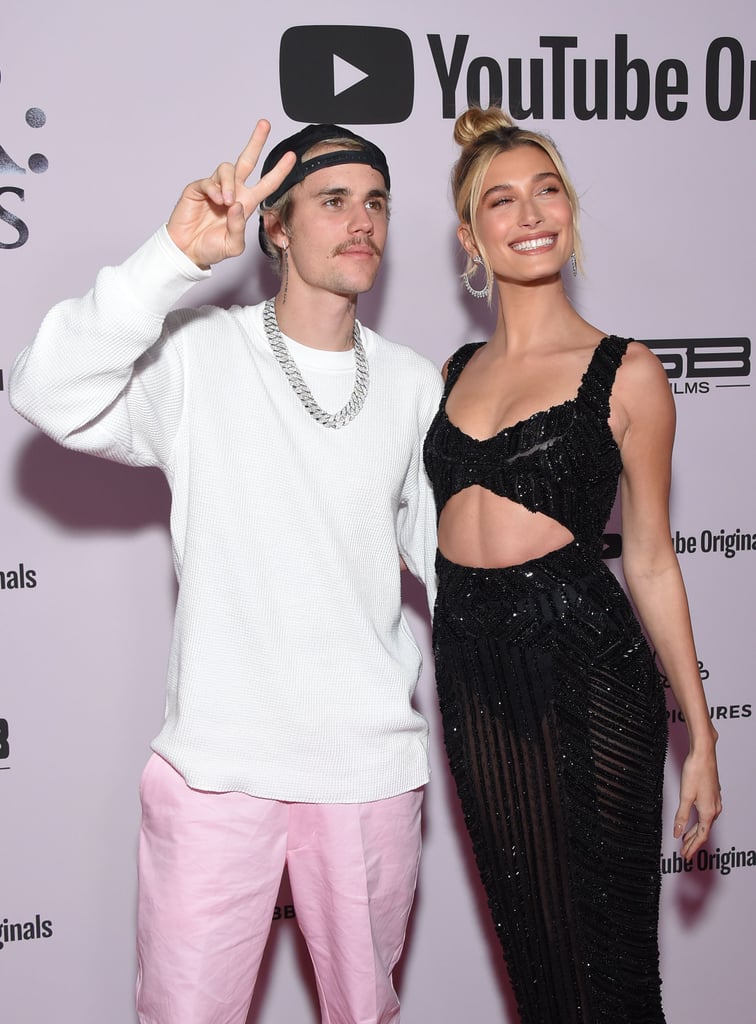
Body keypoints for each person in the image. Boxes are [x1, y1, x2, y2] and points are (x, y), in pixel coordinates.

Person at [10, 119, 442, 1024]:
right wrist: (170, 256)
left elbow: (450, 567)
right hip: (217, 768)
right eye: (333, 201)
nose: (361, 221)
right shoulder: (200, 354)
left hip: (369, 768)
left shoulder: (412, 384)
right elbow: (46, 389)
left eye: (376, 203)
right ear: (275, 227)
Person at [423, 106, 722, 1024]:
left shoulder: (626, 371)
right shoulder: (454, 369)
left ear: (571, 210)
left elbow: (653, 560)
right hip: (474, 675)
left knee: (609, 957)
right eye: (501, 201)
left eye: (546, 191)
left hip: (587, 668)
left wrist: (700, 737)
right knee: (534, 952)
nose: (530, 214)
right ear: (471, 237)